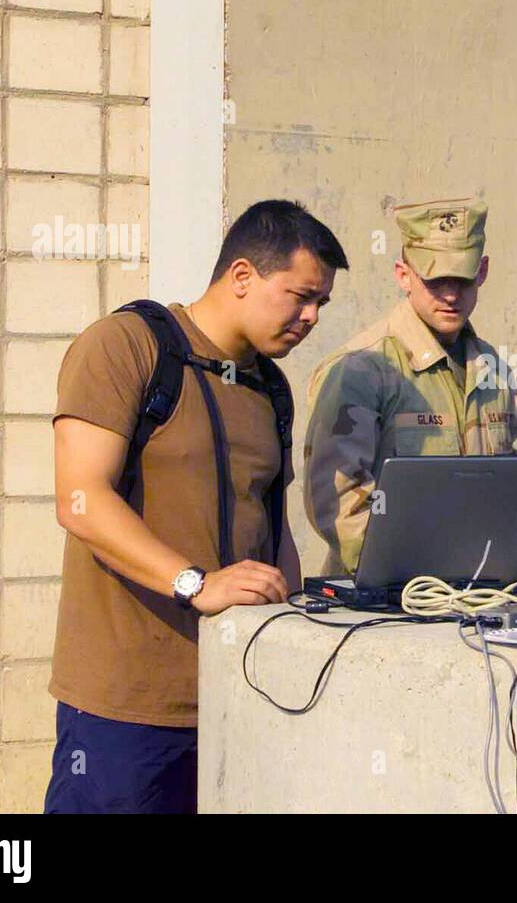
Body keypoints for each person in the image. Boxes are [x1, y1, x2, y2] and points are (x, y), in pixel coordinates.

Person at [44, 199, 347, 813]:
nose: (312, 317)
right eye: (301, 296)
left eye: (322, 304)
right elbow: (80, 500)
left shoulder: (269, 387)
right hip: (126, 710)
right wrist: (195, 583)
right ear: (242, 277)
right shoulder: (126, 346)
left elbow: (273, 529)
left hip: (240, 695)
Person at [303, 197, 517, 574]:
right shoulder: (361, 370)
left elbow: (510, 493)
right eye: (436, 280)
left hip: (479, 595)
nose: (451, 295)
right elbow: (336, 501)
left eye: (463, 277)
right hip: (386, 604)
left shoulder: (493, 370)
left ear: (483, 271)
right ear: (403, 275)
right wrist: (421, 578)